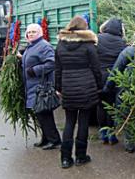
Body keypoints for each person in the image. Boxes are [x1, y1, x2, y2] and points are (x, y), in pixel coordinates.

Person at [55, 16, 102, 168]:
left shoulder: (60, 45)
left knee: (69, 122)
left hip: (68, 87)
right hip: (86, 86)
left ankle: (65, 158)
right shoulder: (89, 45)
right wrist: (99, 86)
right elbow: (96, 68)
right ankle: (81, 156)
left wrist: (58, 88)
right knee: (83, 122)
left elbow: (58, 69)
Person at [103, 29, 135, 153]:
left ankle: (129, 144)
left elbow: (116, 70)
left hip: (127, 90)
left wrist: (108, 87)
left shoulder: (128, 51)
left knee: (127, 115)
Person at [21, 23, 61, 150]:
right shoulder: (32, 46)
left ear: (40, 33)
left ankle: (54, 140)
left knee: (44, 113)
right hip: (33, 86)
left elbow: (52, 63)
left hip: (41, 86)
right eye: (29, 32)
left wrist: (35, 70)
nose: (30, 34)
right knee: (40, 114)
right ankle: (46, 139)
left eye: (33, 32)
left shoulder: (44, 46)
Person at [97, 18, 127, 144]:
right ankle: (112, 134)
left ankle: (103, 133)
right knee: (113, 105)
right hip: (116, 78)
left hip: (100, 77)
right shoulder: (122, 43)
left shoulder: (98, 39)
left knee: (101, 105)